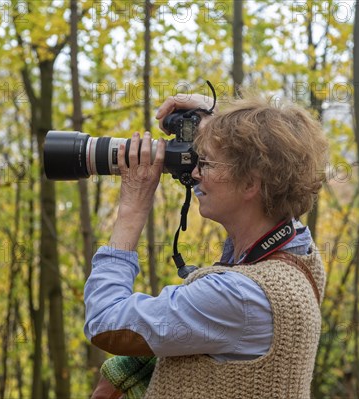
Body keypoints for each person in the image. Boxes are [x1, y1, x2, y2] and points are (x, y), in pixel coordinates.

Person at [84, 92, 328, 399]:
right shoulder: (300, 258)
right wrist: (215, 121)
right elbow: (280, 158)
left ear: (251, 184)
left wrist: (132, 209)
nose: (195, 172)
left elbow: (105, 322)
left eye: (208, 163)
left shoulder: (237, 297)